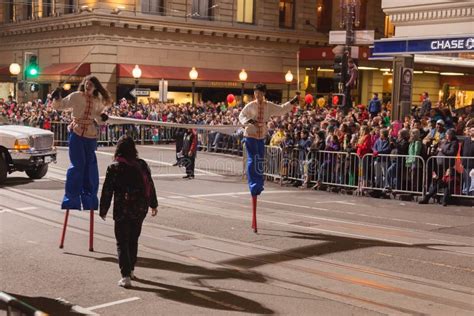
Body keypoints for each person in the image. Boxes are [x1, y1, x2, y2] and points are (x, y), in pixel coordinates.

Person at [99, 135, 158, 288]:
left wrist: (103, 209)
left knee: (122, 241)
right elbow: (150, 185)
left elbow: (107, 190)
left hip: (122, 208)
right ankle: (131, 269)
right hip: (140, 208)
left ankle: (125, 275)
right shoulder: (141, 164)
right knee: (133, 239)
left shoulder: (114, 167)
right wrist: (153, 204)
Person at [239, 83, 299, 232]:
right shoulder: (250, 106)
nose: (257, 96)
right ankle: (254, 185)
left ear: (263, 93)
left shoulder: (268, 106)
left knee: (260, 161)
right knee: (253, 160)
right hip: (251, 135)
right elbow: (241, 116)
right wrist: (248, 122)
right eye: (255, 93)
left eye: (259, 93)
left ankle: (258, 183)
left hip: (261, 137)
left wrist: (292, 102)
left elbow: (281, 109)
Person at [52, 75, 111, 211]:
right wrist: (56, 97)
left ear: (95, 87)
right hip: (77, 133)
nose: (87, 86)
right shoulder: (76, 96)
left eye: (90, 84)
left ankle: (90, 200)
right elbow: (61, 105)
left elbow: (98, 116)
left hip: (90, 135)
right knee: (77, 166)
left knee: (90, 167)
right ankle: (71, 200)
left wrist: (102, 118)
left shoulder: (98, 100)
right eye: (86, 83)